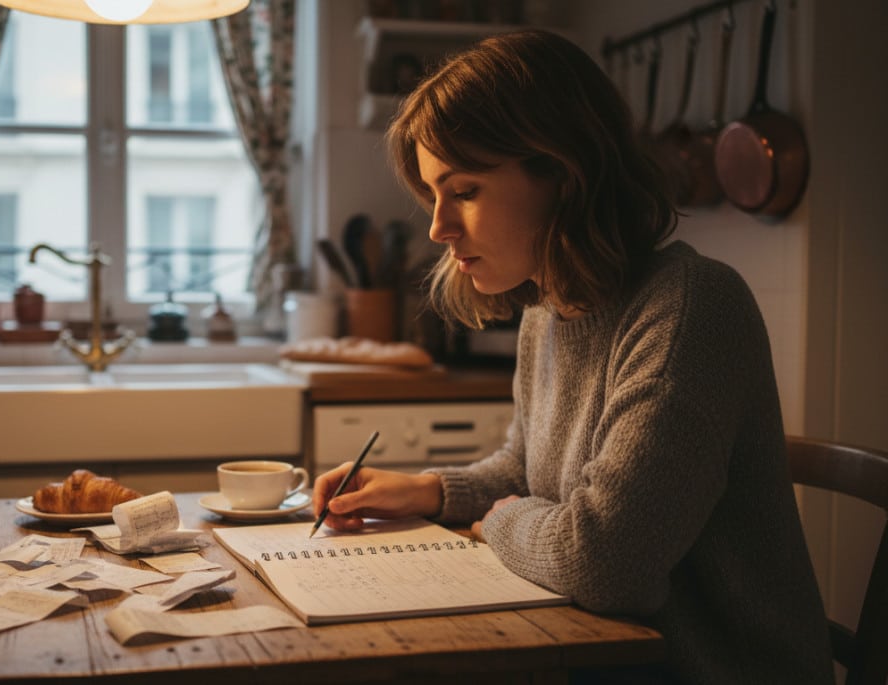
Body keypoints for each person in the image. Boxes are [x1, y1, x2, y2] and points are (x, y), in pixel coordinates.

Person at [312, 29, 833, 685]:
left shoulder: (690, 307)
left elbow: (606, 563)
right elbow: (529, 470)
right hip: (602, 657)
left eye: (464, 190)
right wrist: (428, 490)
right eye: (433, 194)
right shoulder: (547, 312)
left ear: (561, 173)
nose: (438, 227)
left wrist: (505, 521)